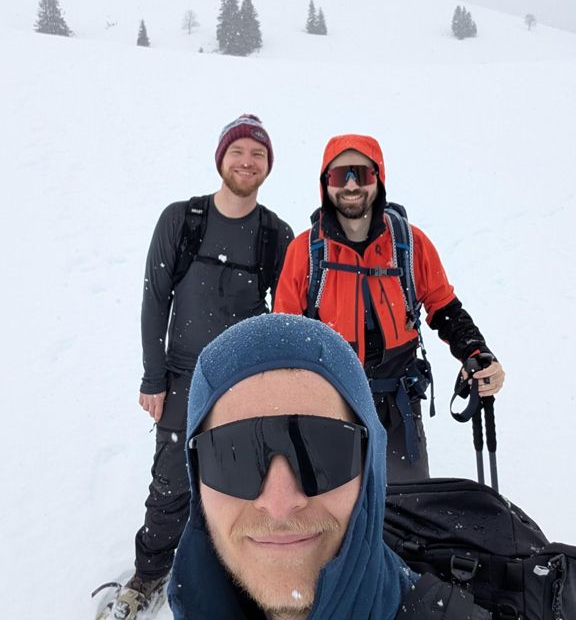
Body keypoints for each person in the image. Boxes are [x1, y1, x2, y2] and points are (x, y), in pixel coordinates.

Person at [168, 313, 490, 619]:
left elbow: (440, 302)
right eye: (232, 456)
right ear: (196, 477)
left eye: (322, 452)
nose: (280, 504)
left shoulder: (409, 255)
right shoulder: (306, 256)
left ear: (369, 470)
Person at [107, 115, 294, 619]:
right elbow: (155, 302)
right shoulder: (182, 219)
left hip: (243, 379)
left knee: (241, 480)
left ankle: (234, 570)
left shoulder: (276, 234)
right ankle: (149, 573)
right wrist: (153, 378)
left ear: (268, 167)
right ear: (221, 159)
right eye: (239, 152)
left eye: (258, 155)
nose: (247, 162)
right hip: (184, 374)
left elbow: (290, 313)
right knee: (170, 481)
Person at [274, 134, 505, 482]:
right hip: (329, 406)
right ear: (325, 184)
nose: (351, 185)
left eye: (361, 174)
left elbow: (444, 309)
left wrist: (477, 353)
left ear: (377, 178)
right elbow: (284, 337)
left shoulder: (410, 244)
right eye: (339, 176)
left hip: (398, 406)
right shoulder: (305, 253)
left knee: (406, 513)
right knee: (336, 519)